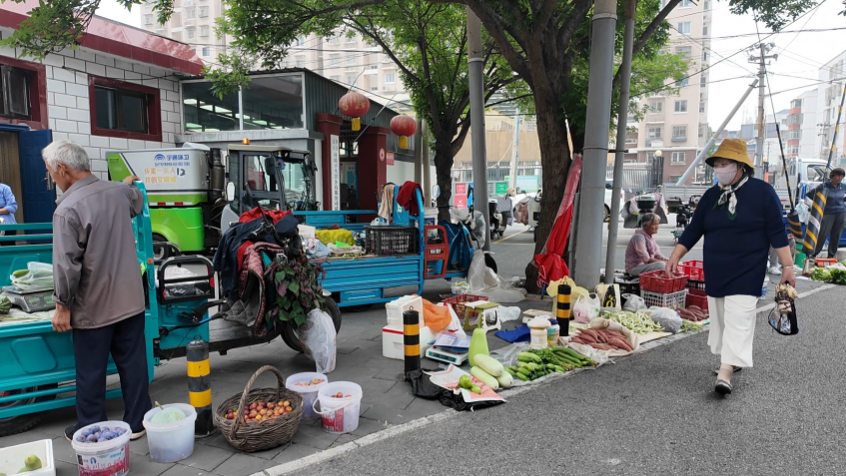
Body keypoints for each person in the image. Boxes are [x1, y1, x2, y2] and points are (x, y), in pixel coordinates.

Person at [666, 139, 795, 396]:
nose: (719, 169)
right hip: (716, 269)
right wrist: (675, 255)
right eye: (717, 165)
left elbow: (776, 231)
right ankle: (732, 359)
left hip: (748, 270)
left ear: (740, 166)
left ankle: (725, 371)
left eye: (724, 164)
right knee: (722, 318)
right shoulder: (712, 196)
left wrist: (788, 267)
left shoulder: (763, 192)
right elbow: (694, 229)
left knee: (739, 316)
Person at [42, 140, 152, 441]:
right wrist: (127, 184)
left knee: (91, 371)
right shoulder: (118, 193)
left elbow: (66, 265)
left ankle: (90, 428)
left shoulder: (67, 209)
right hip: (130, 301)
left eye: (50, 172)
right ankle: (138, 421)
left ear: (63, 168)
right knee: (133, 363)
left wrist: (62, 306)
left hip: (94, 307)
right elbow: (136, 199)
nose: (51, 178)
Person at [810, 167, 846, 259]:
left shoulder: (843, 186)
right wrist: (820, 203)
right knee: (823, 234)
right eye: (838, 176)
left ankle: (831, 255)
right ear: (832, 176)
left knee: (836, 235)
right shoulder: (823, 186)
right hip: (828, 213)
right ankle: (813, 254)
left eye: (841, 176)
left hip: (840, 213)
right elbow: (810, 194)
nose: (839, 178)